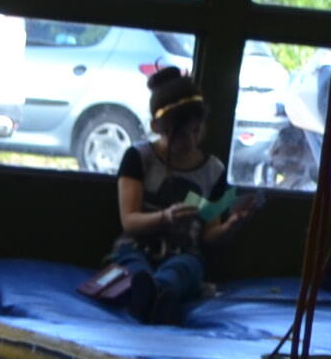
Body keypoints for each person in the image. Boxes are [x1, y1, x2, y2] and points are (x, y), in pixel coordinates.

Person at [83, 66, 254, 322]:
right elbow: (129, 220)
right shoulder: (139, 157)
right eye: (180, 134)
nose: (189, 141)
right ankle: (147, 291)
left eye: (195, 131)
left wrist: (230, 226)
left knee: (187, 267)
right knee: (133, 266)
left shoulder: (213, 170)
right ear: (157, 127)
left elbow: (209, 234)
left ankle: (160, 292)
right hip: (136, 246)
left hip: (183, 251)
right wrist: (165, 217)